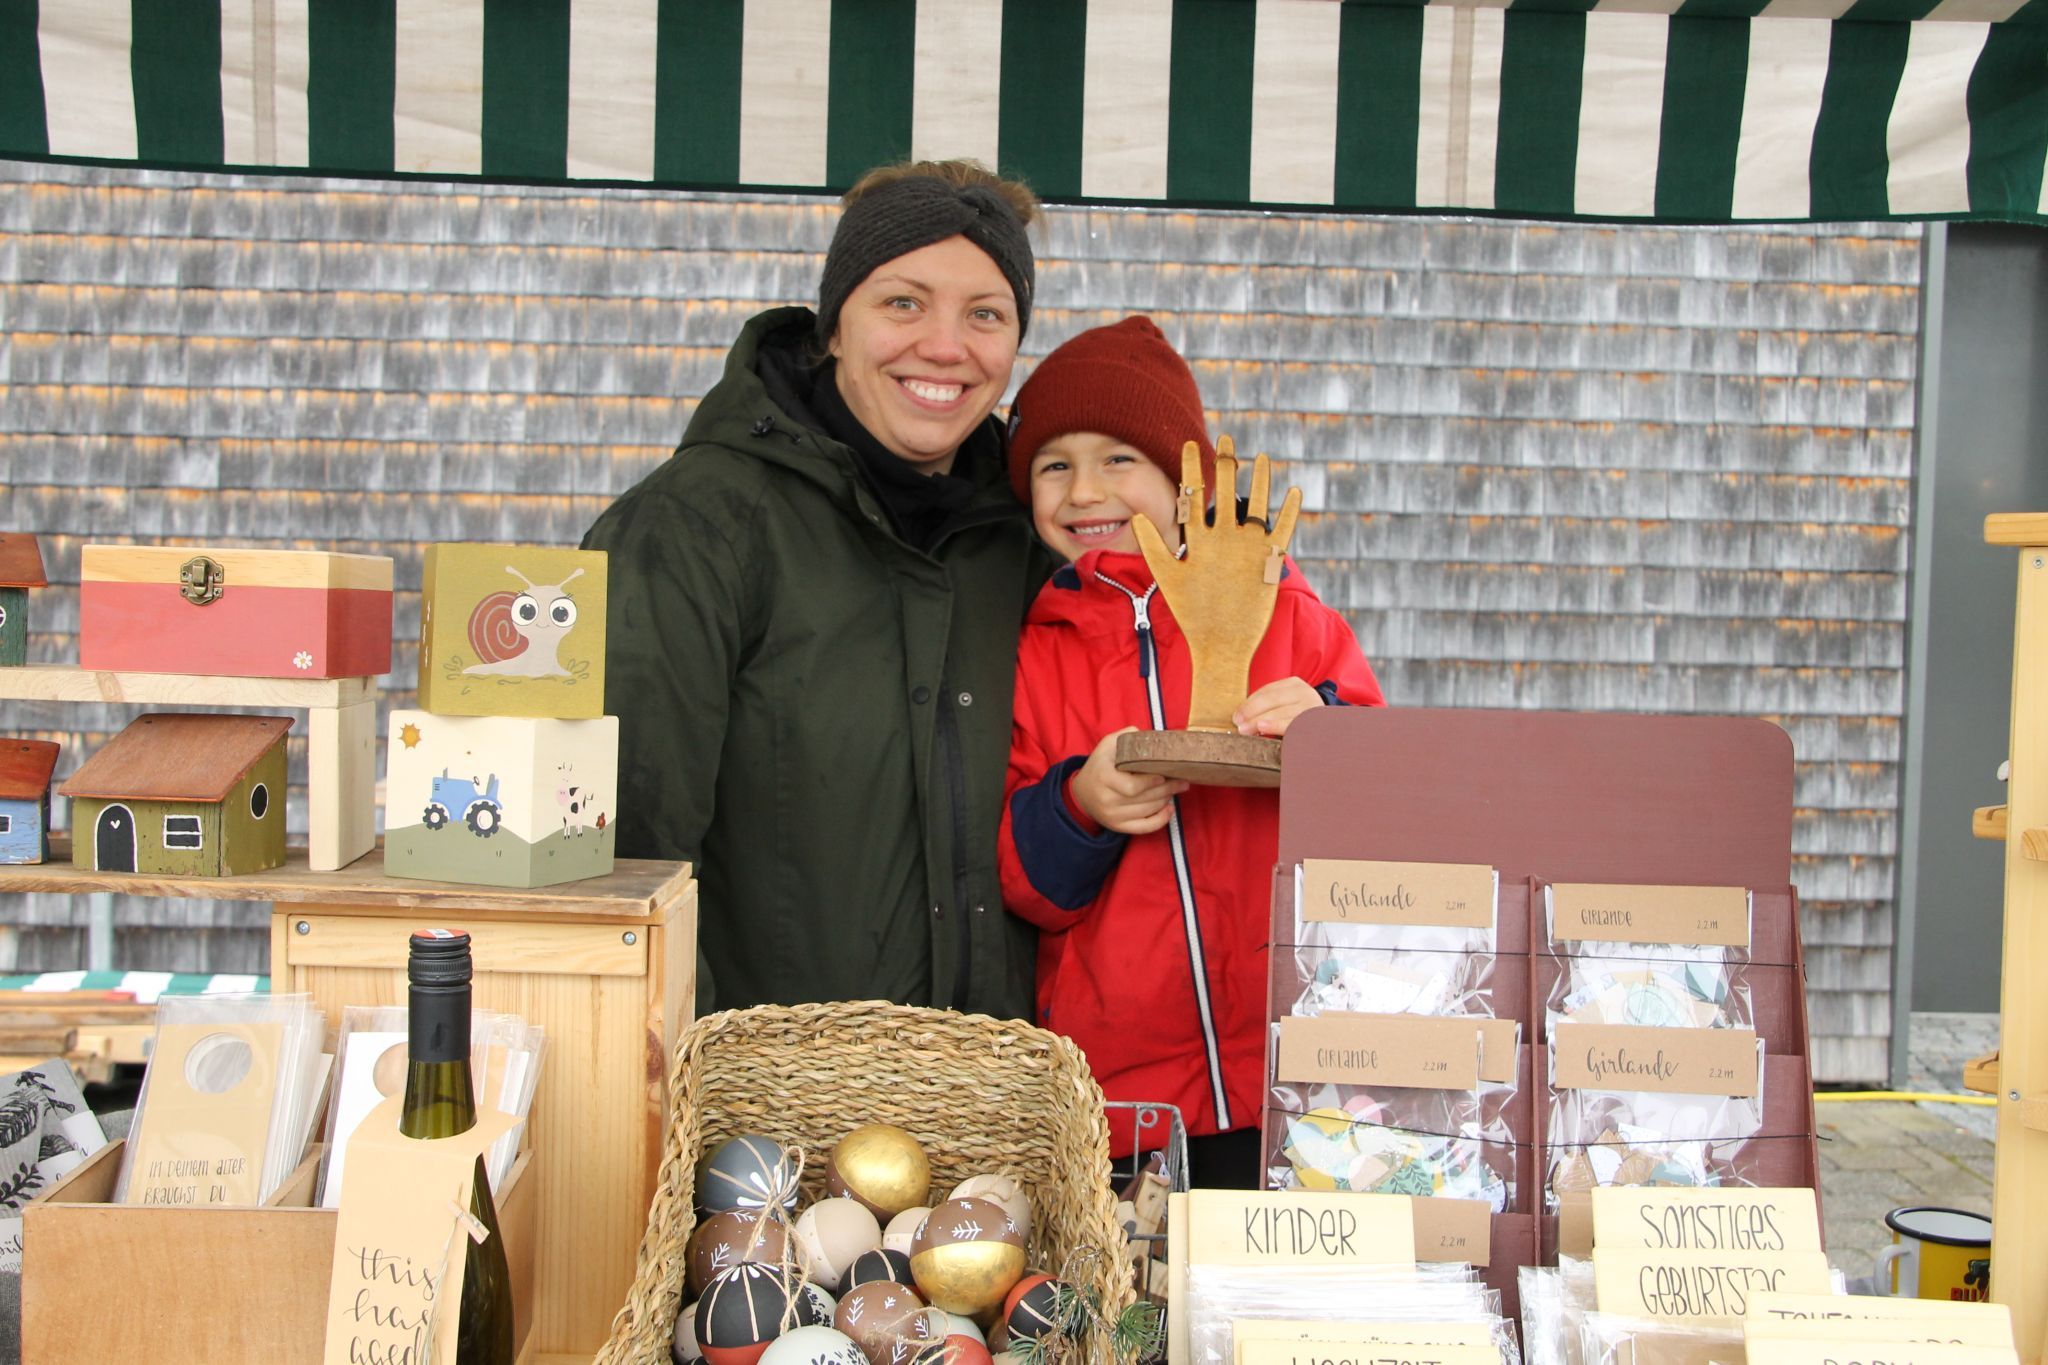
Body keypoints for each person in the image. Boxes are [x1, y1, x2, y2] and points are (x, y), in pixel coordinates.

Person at [583, 160, 1049, 1019]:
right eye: (903, 302)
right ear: (834, 326)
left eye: (985, 313)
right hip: (762, 1118)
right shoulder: (696, 529)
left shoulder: (1030, 542)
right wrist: (713, 1100)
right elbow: (624, 862)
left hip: (991, 1110)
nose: (945, 346)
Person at [996, 316, 1386, 1189]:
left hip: (1300, 1073)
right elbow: (1021, 879)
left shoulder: (1290, 614)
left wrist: (1322, 723)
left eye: (1118, 460)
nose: (1083, 490)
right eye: (1054, 464)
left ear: (1186, 481)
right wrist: (1080, 807)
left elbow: (1390, 794)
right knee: (1145, 1306)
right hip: (1125, 1100)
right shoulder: (1035, 650)